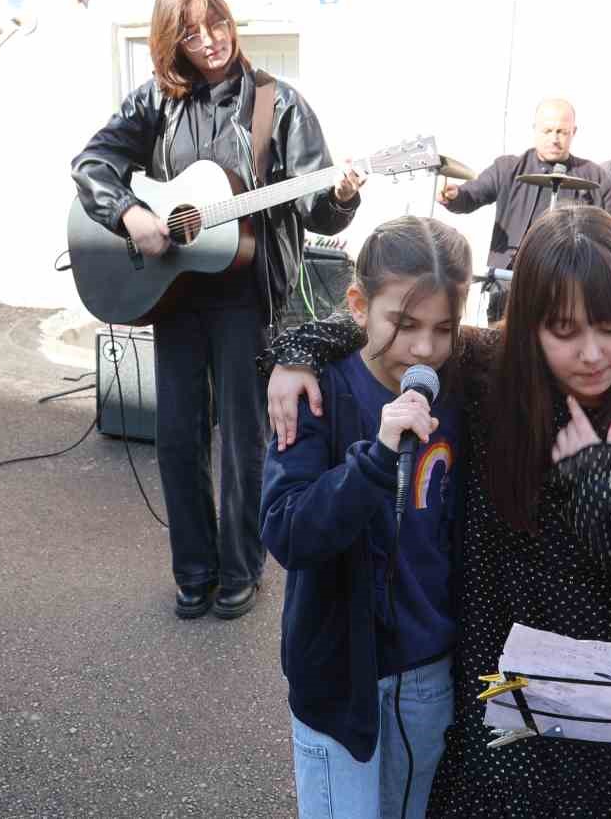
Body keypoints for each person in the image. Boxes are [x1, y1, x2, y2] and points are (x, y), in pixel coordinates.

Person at [263, 205, 611, 818]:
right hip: (490, 721)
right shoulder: (490, 380)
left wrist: (596, 487)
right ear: (529, 324)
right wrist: (298, 351)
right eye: (563, 330)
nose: (591, 352)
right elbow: (401, 328)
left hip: (606, 734)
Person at [71, 0, 363, 621]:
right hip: (174, 291)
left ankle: (240, 568)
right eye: (192, 33)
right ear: (170, 43)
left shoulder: (276, 104)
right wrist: (130, 214)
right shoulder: (156, 102)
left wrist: (341, 196)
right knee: (177, 438)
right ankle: (193, 569)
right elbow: (91, 165)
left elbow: (315, 206)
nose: (210, 40)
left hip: (245, 297)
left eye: (217, 23)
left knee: (243, 441)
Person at [261, 216, 471, 819]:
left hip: (427, 671)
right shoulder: (319, 393)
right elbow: (287, 530)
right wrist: (376, 459)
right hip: (336, 671)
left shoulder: (461, 389)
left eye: (443, 329)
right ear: (359, 305)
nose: (424, 348)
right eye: (403, 324)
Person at [438, 98, 611, 323]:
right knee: (502, 341)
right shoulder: (507, 168)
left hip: (568, 287)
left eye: (562, 132)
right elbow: (472, 195)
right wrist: (455, 196)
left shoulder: (594, 176)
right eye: (547, 131)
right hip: (509, 283)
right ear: (535, 129)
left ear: (574, 131)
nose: (554, 139)